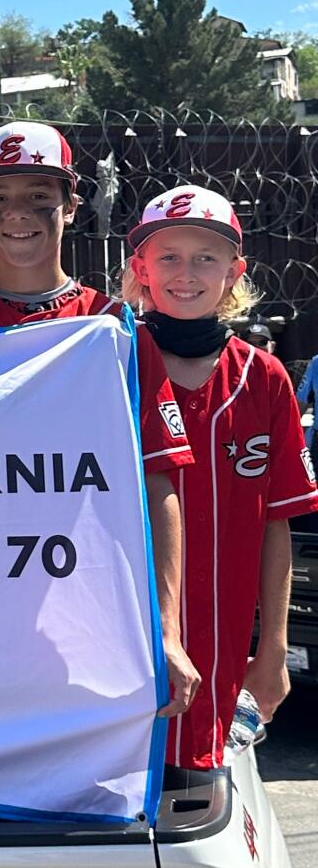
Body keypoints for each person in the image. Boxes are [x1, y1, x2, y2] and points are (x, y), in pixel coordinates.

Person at [0, 120, 201, 721]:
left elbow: (158, 479)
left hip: (78, 606)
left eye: (40, 196)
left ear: (71, 204)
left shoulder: (111, 328)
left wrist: (165, 628)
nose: (20, 214)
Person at [123, 184, 318, 767]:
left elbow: (276, 522)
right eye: (169, 257)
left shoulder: (264, 378)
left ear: (236, 271)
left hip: (225, 640)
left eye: (206, 257)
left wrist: (275, 649)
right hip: (127, 634)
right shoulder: (112, 359)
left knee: (198, 792)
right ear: (141, 269)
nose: (188, 272)